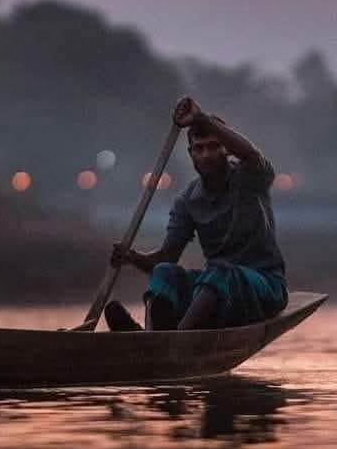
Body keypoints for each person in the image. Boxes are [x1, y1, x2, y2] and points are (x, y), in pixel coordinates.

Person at [105, 96, 288, 331]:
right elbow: (165, 258)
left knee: (220, 272)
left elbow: (252, 155)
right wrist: (131, 257)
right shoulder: (187, 201)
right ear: (191, 153)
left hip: (265, 288)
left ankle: (176, 341)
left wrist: (201, 118)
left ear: (227, 151)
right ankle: (151, 339)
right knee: (164, 273)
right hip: (217, 290)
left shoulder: (250, 177)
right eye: (199, 149)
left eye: (214, 146)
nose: (207, 155)